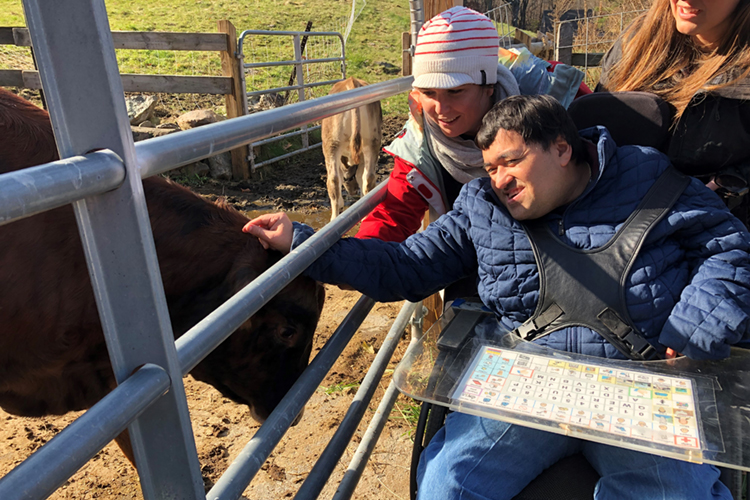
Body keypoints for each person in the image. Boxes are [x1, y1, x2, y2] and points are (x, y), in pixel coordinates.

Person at [244, 94, 750, 499]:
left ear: (561, 148)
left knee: (673, 494)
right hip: (529, 377)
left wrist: (694, 328)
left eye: (512, 161)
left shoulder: (651, 179)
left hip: (641, 381)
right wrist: (303, 243)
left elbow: (726, 246)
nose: (500, 180)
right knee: (448, 483)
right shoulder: (482, 206)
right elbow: (407, 265)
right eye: (490, 167)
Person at [355, 6, 521, 243]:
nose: (441, 110)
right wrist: (359, 260)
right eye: (428, 92)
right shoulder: (420, 140)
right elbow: (394, 215)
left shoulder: (547, 114)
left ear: (489, 86)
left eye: (455, 91)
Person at [596, 0, 750, 226]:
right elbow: (593, 133)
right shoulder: (634, 44)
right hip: (616, 226)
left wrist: (730, 183)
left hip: (722, 232)